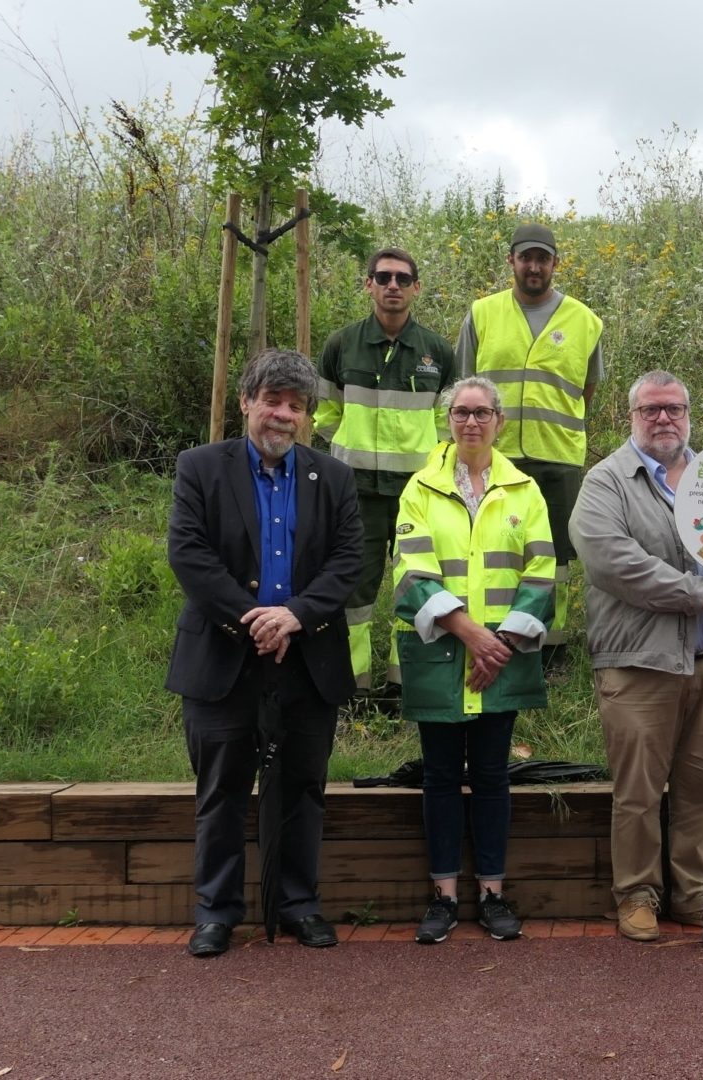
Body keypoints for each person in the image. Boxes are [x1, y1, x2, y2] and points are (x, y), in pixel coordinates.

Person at [165, 349, 361, 958]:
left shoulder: (333, 477)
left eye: (296, 406)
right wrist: (255, 621)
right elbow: (189, 555)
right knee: (221, 790)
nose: (282, 415)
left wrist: (295, 615)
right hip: (225, 658)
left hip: (306, 659)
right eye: (272, 400)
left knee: (302, 787)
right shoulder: (200, 467)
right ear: (246, 401)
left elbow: (349, 562)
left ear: (307, 417)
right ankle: (217, 912)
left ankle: (298, 905)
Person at [571, 371, 703, 941]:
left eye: (673, 408)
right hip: (638, 664)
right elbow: (611, 562)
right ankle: (637, 897)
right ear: (632, 417)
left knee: (702, 788)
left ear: (689, 413)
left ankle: (696, 895)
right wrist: (700, 592)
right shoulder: (606, 483)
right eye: (650, 410)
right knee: (639, 792)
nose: (663, 419)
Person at [390, 376, 554, 944]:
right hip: (443, 656)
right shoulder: (419, 488)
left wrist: (499, 645)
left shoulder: (525, 490)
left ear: (500, 422)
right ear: (449, 419)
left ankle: (491, 894)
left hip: (500, 659)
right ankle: (442, 898)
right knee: (438, 777)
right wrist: (469, 634)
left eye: (483, 413)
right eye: (461, 412)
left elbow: (541, 571)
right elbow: (411, 572)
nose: (472, 423)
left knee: (490, 777)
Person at [313, 246, 457, 704]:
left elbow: (445, 420)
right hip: (355, 492)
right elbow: (325, 412)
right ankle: (353, 688)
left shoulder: (436, 351)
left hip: (418, 493)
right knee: (354, 591)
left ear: (416, 288)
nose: (392, 285)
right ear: (368, 285)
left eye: (401, 279)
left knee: (413, 584)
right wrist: (347, 451)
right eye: (383, 277)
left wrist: (431, 463)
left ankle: (403, 684)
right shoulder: (341, 344)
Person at [456, 222, 603, 651]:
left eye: (543, 258)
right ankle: (491, 631)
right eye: (526, 258)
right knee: (493, 548)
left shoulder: (585, 321)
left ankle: (549, 643)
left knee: (555, 556)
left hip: (558, 457)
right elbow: (466, 385)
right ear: (511, 261)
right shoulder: (482, 313)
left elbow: (587, 389)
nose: (534, 267)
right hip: (491, 455)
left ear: (556, 263)